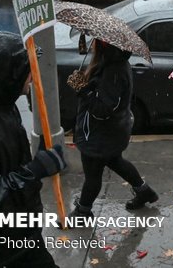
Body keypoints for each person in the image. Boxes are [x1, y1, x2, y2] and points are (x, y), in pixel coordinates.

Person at [0, 31, 66, 268]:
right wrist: (34, 171)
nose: (33, 77)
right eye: (29, 69)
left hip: (21, 232)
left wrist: (37, 162)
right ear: (10, 73)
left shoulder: (4, 104)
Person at [68, 39, 157, 220]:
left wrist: (83, 91)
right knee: (115, 161)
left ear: (103, 46)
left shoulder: (114, 71)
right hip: (109, 132)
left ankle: (82, 211)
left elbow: (103, 110)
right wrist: (87, 83)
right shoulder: (111, 63)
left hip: (99, 135)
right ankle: (144, 191)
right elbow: (103, 94)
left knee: (93, 176)